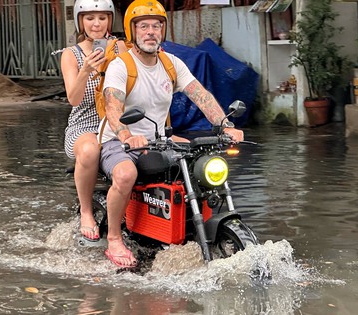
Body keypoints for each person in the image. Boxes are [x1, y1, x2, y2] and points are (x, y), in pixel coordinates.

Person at [97, 0, 244, 268]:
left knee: (196, 158)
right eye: (144, 26)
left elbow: (200, 94)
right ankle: (115, 239)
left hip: (159, 140)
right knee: (126, 174)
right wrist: (128, 136)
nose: (151, 31)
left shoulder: (171, 63)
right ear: (132, 32)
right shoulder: (121, 65)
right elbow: (112, 107)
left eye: (156, 25)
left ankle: (181, 226)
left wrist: (225, 125)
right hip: (118, 141)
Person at [60, 0, 128, 242]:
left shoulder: (120, 46)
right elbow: (73, 99)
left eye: (102, 18)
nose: (96, 24)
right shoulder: (71, 54)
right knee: (90, 150)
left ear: (110, 20)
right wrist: (86, 70)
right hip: (85, 123)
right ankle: (86, 212)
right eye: (90, 18)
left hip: (118, 119)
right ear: (81, 21)